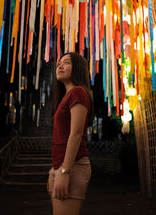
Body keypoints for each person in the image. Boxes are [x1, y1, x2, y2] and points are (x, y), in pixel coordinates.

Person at [47, 52, 92, 215]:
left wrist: (64, 172)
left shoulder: (78, 92)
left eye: (66, 62)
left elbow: (76, 134)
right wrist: (54, 170)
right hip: (61, 166)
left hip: (73, 166)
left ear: (78, 68)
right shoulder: (67, 96)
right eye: (59, 63)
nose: (60, 65)